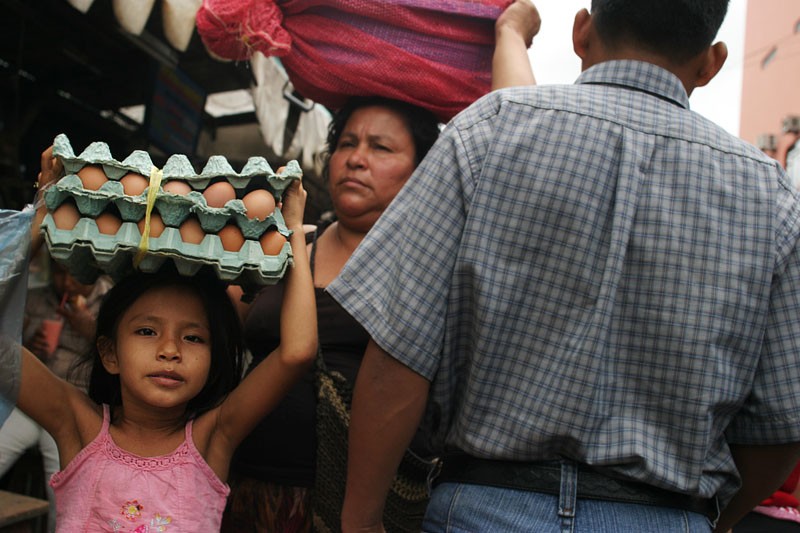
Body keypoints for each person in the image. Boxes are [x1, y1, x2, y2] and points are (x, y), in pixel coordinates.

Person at [327, 1, 800, 532]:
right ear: (711, 63)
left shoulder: (489, 129)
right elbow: (781, 422)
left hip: (481, 509)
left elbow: (399, 352)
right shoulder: (771, 196)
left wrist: (360, 519)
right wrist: (718, 521)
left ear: (582, 32)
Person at [221, 3, 539, 531]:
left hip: (360, 513)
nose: (356, 158)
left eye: (381, 147)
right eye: (347, 143)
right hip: (249, 494)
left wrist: (509, 33)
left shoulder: (434, 264)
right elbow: (219, 326)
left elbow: (523, 146)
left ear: (423, 169)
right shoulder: (289, 242)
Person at [2, 175, 316, 530]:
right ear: (110, 354)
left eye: (194, 338)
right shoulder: (78, 426)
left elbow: (297, 353)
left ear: (214, 359)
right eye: (147, 331)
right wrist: (43, 211)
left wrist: (293, 234)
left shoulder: (212, 439)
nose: (170, 350)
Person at [0, 258, 112, 532]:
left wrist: (91, 332)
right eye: (61, 274)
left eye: (75, 276)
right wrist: (29, 339)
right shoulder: (36, 298)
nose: (67, 283)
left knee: (64, 486)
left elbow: (121, 361)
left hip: (76, 408)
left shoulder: (111, 303)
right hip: (31, 404)